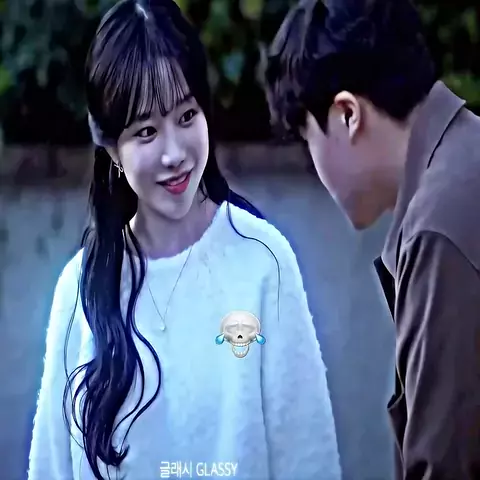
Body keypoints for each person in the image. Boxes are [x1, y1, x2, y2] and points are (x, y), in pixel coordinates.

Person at [27, 1, 342, 479]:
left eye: (187, 115)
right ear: (112, 148)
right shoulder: (80, 290)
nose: (174, 153)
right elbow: (51, 467)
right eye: (146, 131)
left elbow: (308, 457)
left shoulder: (263, 260)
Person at [262, 0, 480, 478]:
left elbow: (445, 465)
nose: (315, 163)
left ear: (347, 114)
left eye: (307, 138)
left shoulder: (439, 225)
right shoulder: (464, 162)